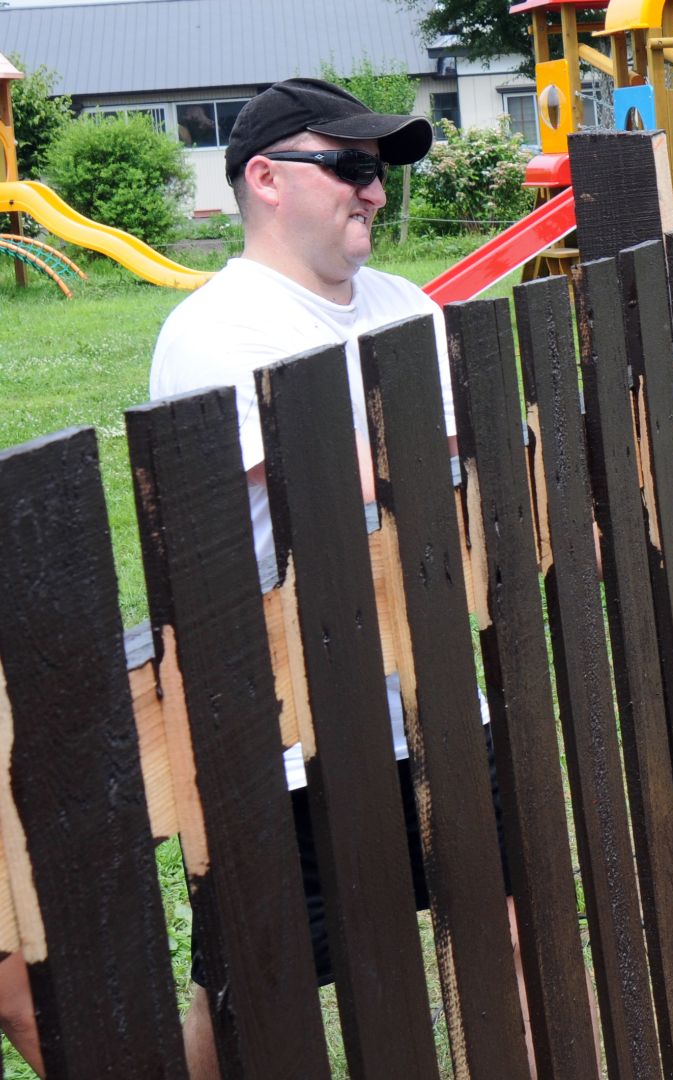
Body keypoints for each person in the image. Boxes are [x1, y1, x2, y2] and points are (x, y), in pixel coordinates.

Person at [146, 78, 513, 1078]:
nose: (376, 192)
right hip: (297, 737)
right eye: (350, 167)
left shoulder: (404, 305)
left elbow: (452, 462)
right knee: (255, 1002)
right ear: (264, 179)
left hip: (434, 693)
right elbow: (371, 471)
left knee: (499, 936)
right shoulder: (221, 330)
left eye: (381, 170)